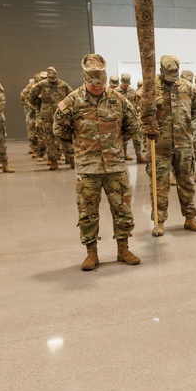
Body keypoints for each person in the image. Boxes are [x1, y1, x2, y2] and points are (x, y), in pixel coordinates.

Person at [53, 54, 142, 271]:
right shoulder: (72, 101)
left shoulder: (119, 100)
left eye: (101, 84)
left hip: (115, 166)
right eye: (93, 84)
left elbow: (133, 125)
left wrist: (116, 144)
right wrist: (81, 146)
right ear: (84, 78)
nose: (97, 88)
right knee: (87, 212)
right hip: (88, 167)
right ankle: (91, 253)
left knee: (122, 209)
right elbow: (59, 129)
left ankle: (123, 248)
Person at [142, 55, 196, 236]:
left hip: (184, 143)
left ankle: (190, 218)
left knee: (187, 182)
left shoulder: (187, 86)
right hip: (160, 146)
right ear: (161, 71)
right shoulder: (150, 89)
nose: (172, 77)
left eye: (174, 74)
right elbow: (141, 114)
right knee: (159, 184)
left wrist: (185, 122)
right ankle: (159, 221)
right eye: (169, 74)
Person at [29, 67, 74, 171]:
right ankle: (53, 161)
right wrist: (40, 105)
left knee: (65, 137)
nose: (53, 81)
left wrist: (66, 108)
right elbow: (31, 97)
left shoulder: (63, 84)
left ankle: (71, 159)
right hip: (47, 116)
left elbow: (71, 96)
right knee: (49, 138)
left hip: (62, 115)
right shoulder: (41, 85)